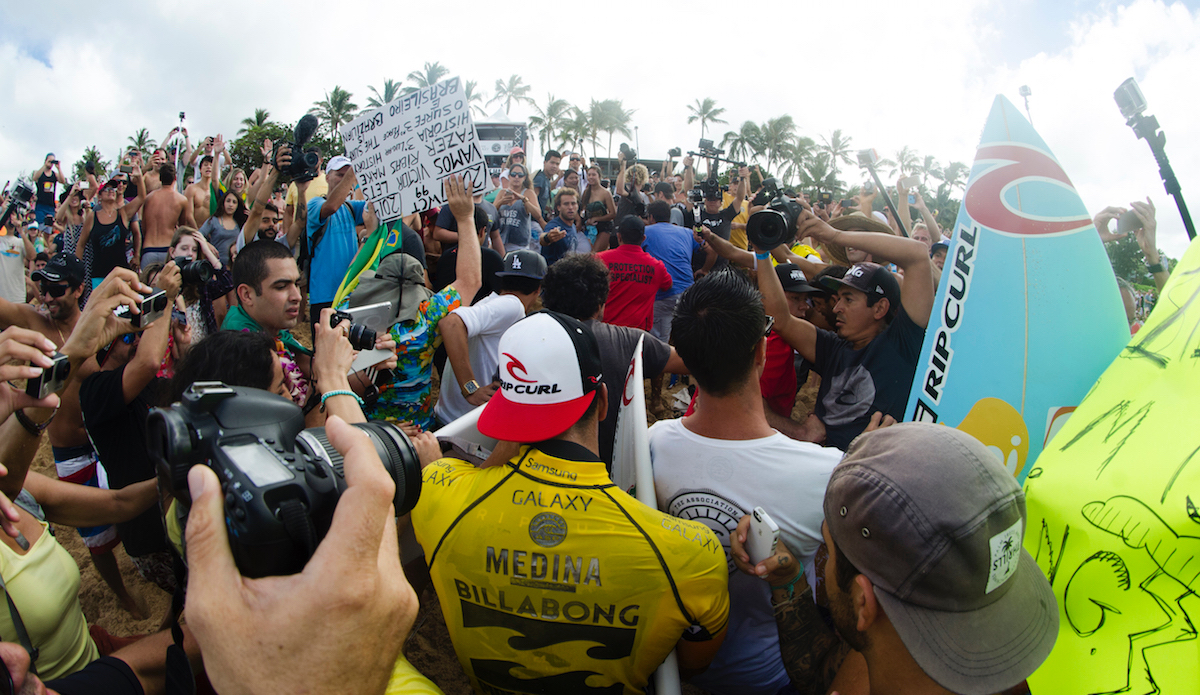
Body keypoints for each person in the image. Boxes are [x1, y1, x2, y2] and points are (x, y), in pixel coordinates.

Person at [412, 310, 729, 694]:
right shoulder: (691, 553)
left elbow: (445, 475)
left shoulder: (438, 494)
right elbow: (694, 666)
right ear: (602, 403)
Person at [731, 423, 1059, 695]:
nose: (823, 560)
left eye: (827, 549)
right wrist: (788, 583)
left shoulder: (893, 634)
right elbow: (823, 674)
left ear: (863, 602)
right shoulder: (973, 623)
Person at [650, 270, 842, 695]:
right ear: (761, 351)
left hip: (673, 671)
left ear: (683, 354)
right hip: (770, 677)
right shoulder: (826, 473)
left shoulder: (653, 444)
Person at [760, 209, 934, 449]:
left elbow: (917, 254)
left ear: (880, 308)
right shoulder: (832, 347)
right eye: (838, 297)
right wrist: (761, 253)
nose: (837, 307)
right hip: (820, 466)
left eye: (849, 299)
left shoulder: (903, 343)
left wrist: (835, 236)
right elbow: (780, 319)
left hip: (866, 474)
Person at [80, 261, 183, 594]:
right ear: (105, 345)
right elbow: (150, 360)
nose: (136, 341)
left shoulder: (140, 384)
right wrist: (163, 299)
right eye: (127, 337)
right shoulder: (94, 390)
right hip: (148, 534)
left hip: (166, 516)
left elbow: (175, 385)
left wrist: (181, 346)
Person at [359, 175, 481, 430]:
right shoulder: (427, 316)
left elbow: (355, 277)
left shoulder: (351, 313)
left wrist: (373, 236)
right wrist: (465, 218)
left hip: (367, 433)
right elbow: (470, 281)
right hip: (419, 431)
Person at [541, 254, 686, 467]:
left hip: (537, 467)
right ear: (600, 305)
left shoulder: (525, 340)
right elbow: (691, 362)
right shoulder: (630, 341)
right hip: (609, 469)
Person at [434, 249, 545, 426]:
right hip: (464, 424)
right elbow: (451, 323)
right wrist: (470, 388)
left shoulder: (494, 300)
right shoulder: (512, 305)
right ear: (539, 288)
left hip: (451, 417)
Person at [221, 240, 312, 407]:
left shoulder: (271, 328)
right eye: (282, 286)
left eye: (297, 284)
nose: (297, 296)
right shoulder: (242, 353)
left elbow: (308, 365)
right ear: (247, 295)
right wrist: (329, 380)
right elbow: (291, 425)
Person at [305, 156, 376, 326]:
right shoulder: (315, 204)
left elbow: (376, 207)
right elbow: (331, 207)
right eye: (340, 175)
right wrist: (352, 174)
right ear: (327, 177)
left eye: (348, 175)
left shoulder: (351, 207)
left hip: (350, 292)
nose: (345, 179)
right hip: (325, 295)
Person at [642, 200, 714, 342]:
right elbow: (712, 251)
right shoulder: (687, 232)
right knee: (686, 341)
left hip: (660, 295)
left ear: (651, 217)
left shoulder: (645, 232)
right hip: (688, 293)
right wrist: (705, 270)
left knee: (659, 344)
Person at [596, 216, 672, 331]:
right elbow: (668, 285)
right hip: (638, 336)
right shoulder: (656, 266)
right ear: (643, 238)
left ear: (619, 237)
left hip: (605, 331)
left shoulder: (599, 260)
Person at [164, 226, 234, 340]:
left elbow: (228, 283)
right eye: (184, 248)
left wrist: (207, 251)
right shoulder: (164, 282)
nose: (190, 254)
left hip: (203, 350)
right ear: (172, 252)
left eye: (194, 250)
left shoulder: (201, 285)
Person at [77, 172, 145, 286]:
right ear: (99, 196)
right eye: (106, 189)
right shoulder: (92, 217)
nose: (111, 191)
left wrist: (139, 177)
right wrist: (78, 271)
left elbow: (141, 197)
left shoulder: (123, 213)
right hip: (99, 274)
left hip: (121, 272)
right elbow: (80, 245)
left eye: (112, 188)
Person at [138, 164, 195, 268]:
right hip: (168, 249)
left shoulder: (148, 198)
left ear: (160, 178)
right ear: (175, 178)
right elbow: (182, 228)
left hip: (149, 248)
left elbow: (144, 226)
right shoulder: (181, 200)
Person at [493, 163, 545, 254]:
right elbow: (492, 212)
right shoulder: (502, 192)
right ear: (509, 176)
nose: (516, 177)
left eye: (520, 175)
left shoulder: (528, 193)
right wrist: (501, 202)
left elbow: (538, 214)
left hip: (519, 243)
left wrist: (524, 200)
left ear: (524, 178)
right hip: (501, 241)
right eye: (513, 174)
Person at [198, 189, 247, 267]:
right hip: (215, 264)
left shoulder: (240, 223)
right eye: (228, 201)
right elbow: (198, 235)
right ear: (223, 202)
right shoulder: (213, 220)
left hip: (234, 266)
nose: (230, 204)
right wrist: (206, 244)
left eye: (234, 202)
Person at [539, 187, 584, 265]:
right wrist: (548, 238)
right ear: (558, 207)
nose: (570, 207)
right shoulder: (555, 225)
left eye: (573, 203)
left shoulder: (572, 226)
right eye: (566, 204)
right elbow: (543, 239)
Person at [580, 165, 617, 252]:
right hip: (589, 227)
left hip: (604, 227)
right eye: (589, 175)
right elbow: (583, 209)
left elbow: (613, 214)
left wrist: (596, 218)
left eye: (593, 175)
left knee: (595, 254)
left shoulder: (606, 193)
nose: (591, 177)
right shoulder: (586, 192)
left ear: (599, 176)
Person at [0, 221, 34, 304]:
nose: (11, 218)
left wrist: (22, 233)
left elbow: (32, 256)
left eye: (13, 214)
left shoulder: (20, 241)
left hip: (17, 295)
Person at [34, 154, 67, 224]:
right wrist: (45, 165)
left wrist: (59, 168)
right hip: (41, 204)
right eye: (50, 161)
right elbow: (35, 178)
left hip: (50, 205)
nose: (51, 163)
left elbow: (63, 181)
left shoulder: (54, 174)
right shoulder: (40, 173)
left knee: (49, 227)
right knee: (40, 225)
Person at [184, 154, 215, 227]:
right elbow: (188, 215)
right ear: (200, 169)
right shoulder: (191, 189)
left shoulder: (216, 191)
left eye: (211, 165)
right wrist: (198, 233)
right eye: (206, 165)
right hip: (193, 231)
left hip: (211, 234)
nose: (208, 167)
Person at [532, 148, 561, 217]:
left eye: (557, 164)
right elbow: (531, 201)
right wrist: (541, 222)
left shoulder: (546, 180)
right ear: (545, 163)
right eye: (552, 163)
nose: (554, 166)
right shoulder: (540, 179)